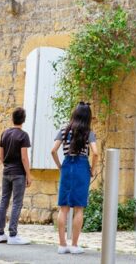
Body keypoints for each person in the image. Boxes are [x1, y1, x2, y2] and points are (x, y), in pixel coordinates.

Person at [51, 102, 98, 255]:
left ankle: (62, 245)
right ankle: (75, 244)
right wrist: (92, 169)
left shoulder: (64, 129)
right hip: (81, 166)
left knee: (63, 207)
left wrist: (60, 166)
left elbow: (53, 150)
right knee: (79, 208)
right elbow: (95, 153)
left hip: (67, 164)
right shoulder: (88, 131)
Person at [0, 107, 31, 245]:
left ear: (12, 118)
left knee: (4, 201)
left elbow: (0, 156)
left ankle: (0, 233)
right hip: (18, 174)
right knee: (17, 203)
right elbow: (24, 158)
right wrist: (28, 174)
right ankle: (13, 234)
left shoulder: (4, 134)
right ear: (23, 120)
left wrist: (7, 166)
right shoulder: (23, 135)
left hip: (6, 172)